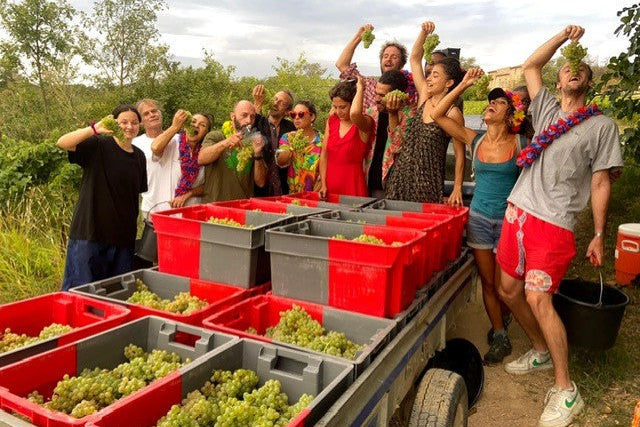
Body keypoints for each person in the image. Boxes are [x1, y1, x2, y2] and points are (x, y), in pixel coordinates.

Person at [496, 25, 623, 427]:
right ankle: (539, 347)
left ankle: (567, 392)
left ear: (588, 83)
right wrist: (563, 39)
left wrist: (600, 234)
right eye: (568, 67)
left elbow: (601, 180)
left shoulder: (601, 127)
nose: (574, 70)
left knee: (538, 300)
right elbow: (532, 64)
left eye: (582, 69)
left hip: (554, 222)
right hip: (518, 211)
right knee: (508, 290)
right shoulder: (547, 108)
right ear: (559, 79)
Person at [432, 68, 529, 364]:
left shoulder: (521, 144)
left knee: (506, 286)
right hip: (479, 220)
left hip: (509, 222)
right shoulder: (475, 140)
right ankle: (499, 333)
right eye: (491, 101)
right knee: (488, 284)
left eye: (500, 103)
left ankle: (506, 316)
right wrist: (463, 84)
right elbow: (438, 114)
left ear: (511, 114)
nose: (492, 104)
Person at [57, 105, 147, 290]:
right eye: (124, 122)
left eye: (134, 122)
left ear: (139, 126)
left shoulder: (139, 156)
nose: (129, 126)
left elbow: (134, 195)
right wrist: (94, 129)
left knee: (115, 294)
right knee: (81, 292)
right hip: (90, 235)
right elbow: (63, 142)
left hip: (123, 239)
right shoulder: (97, 145)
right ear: (114, 123)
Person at [385, 21, 465, 204]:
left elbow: (460, 154)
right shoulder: (424, 98)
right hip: (400, 178)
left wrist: (457, 187)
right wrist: (423, 33)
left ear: (449, 83)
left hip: (426, 186)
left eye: (435, 76)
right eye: (429, 74)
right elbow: (415, 58)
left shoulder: (453, 114)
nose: (428, 78)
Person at [198, 100, 267, 202]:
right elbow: (201, 158)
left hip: (242, 208)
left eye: (252, 117)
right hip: (214, 208)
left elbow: (261, 182)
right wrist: (226, 142)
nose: (248, 120)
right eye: (244, 115)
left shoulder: (253, 142)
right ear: (232, 116)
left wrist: (257, 153)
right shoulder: (216, 136)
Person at [335, 23, 416, 109]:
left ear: (402, 64)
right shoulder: (369, 84)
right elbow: (341, 64)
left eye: (394, 57)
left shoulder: (413, 88)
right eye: (385, 56)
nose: (388, 59)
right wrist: (359, 37)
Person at [319, 77, 374, 197]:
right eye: (335, 107)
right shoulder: (332, 121)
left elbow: (355, 114)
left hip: (353, 186)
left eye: (343, 107)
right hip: (329, 188)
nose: (338, 112)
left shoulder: (364, 123)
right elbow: (324, 154)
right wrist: (323, 183)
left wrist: (360, 89)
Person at [150, 110, 213, 208]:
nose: (196, 126)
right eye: (193, 122)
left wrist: (188, 194)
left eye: (202, 125)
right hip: (166, 210)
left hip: (193, 211)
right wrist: (175, 126)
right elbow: (155, 147)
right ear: (185, 126)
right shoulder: (173, 140)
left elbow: (209, 184)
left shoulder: (207, 152)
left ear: (206, 133)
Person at [364, 69, 408, 198]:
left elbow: (397, 146)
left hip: (393, 186)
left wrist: (392, 114)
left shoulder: (409, 116)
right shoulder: (371, 112)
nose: (376, 99)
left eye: (382, 96)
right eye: (376, 93)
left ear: (397, 95)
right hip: (367, 182)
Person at [133, 99, 178, 215]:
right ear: (141, 122)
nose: (152, 115)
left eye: (154, 111)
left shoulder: (179, 139)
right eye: (146, 114)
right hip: (152, 207)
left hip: (180, 206)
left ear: (160, 114)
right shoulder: (135, 144)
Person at [252, 85, 296, 196]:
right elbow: (247, 132)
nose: (275, 103)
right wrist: (257, 104)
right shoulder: (259, 122)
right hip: (260, 190)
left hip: (284, 189)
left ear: (287, 112)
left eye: (282, 103)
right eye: (275, 99)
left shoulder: (292, 128)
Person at [276, 100, 323, 193]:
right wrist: (292, 146)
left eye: (301, 114)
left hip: (317, 193)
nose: (296, 118)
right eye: (293, 115)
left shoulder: (324, 141)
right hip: (294, 195)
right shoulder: (288, 137)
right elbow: (280, 160)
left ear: (312, 116)